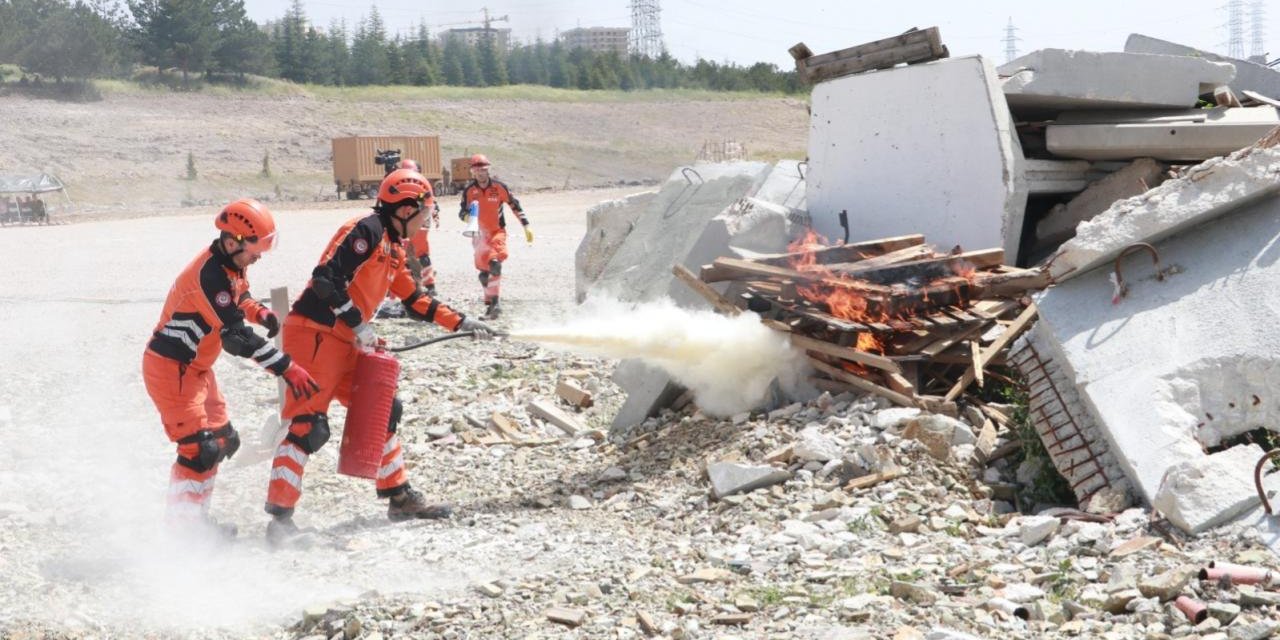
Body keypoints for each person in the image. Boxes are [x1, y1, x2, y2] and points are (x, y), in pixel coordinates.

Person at [264, 167, 496, 546]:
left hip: (346, 339)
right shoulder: (367, 230)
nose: (426, 220)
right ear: (404, 209)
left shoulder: (393, 246)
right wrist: (359, 325)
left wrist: (461, 322)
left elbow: (415, 300)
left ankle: (398, 497)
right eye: (423, 212)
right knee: (309, 426)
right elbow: (326, 279)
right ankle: (279, 522)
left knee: (383, 408)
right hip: (314, 335)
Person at [142, 199, 321, 540]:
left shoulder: (231, 265)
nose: (259, 257)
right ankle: (182, 533)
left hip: (197, 370)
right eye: (255, 249)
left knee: (223, 441)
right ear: (233, 240)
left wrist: (260, 313)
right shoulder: (207, 276)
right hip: (171, 370)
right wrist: (287, 369)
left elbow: (238, 298)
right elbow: (237, 338)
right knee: (199, 448)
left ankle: (195, 519)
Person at [458, 154, 532, 320]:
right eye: (477, 170)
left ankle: (496, 304)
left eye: (484, 169)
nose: (481, 173)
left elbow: (514, 205)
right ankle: (490, 305)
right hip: (479, 235)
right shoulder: (469, 191)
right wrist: (467, 217)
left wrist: (526, 225)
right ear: (472, 172)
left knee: (495, 264)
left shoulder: (499, 187)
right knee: (484, 274)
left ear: (488, 170)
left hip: (497, 232)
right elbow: (461, 212)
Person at [399, 159, 440, 296]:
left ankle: (430, 285)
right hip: (406, 221)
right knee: (406, 253)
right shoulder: (402, 184)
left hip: (419, 221)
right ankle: (413, 284)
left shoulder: (421, 184)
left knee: (421, 253)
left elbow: (427, 199)